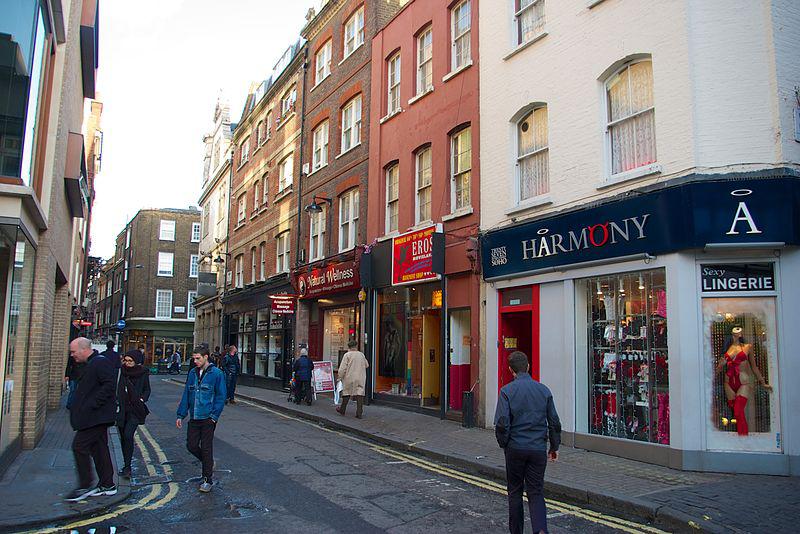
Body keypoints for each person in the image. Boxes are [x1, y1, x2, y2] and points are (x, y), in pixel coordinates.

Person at [494, 351, 561, 534]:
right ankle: (540, 531)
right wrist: (554, 447)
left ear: (510, 370)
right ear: (528, 367)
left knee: (515, 492)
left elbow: (502, 424)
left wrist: (504, 444)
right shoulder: (544, 390)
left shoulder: (506, 391)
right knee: (536, 492)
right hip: (538, 449)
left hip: (515, 448)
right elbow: (554, 423)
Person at [64, 338, 118, 502]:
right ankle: (107, 485)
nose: (72, 355)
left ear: (83, 349)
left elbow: (109, 385)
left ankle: (85, 485)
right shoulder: (91, 363)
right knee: (99, 449)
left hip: (96, 417)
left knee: (79, 446)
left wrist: (91, 404)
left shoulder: (100, 363)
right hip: (93, 417)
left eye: (73, 352)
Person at [176, 346, 226, 493]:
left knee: (206, 448)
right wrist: (181, 414)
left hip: (207, 418)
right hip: (194, 417)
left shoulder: (216, 374)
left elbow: (220, 396)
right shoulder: (192, 373)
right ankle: (208, 463)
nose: (195, 361)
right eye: (194, 358)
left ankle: (207, 480)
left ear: (206, 357)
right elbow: (187, 393)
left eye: (198, 358)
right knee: (191, 446)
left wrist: (214, 417)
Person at [116, 350, 151, 478]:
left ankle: (127, 467)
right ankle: (126, 465)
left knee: (128, 435)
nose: (127, 363)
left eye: (130, 361)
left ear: (136, 361)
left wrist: (142, 399)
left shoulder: (143, 373)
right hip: (121, 410)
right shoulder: (121, 372)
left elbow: (147, 389)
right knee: (123, 438)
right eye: (125, 360)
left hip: (135, 410)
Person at [336, 340, 369, 419]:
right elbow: (367, 365)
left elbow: (342, 368)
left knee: (346, 393)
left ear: (349, 347)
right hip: (360, 377)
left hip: (349, 377)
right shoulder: (361, 355)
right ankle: (359, 413)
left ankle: (342, 409)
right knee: (359, 394)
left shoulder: (347, 355)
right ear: (356, 346)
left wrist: (339, 377)